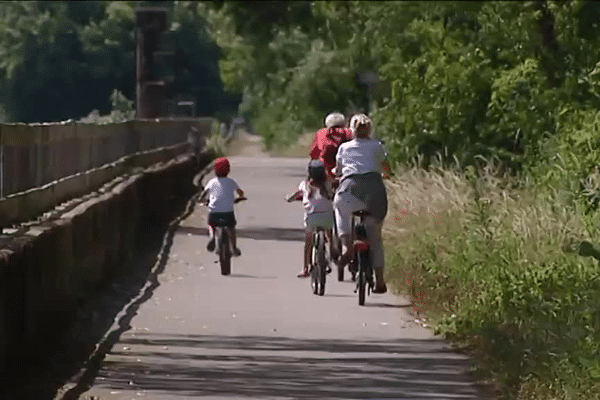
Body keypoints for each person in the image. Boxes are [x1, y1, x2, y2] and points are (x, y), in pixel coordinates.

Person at [333, 113, 392, 293]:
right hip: (374, 193)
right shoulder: (377, 146)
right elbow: (386, 168)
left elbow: (338, 169)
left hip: (350, 190)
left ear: (352, 130)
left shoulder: (344, 148)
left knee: (339, 206)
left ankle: (346, 247)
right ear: (370, 129)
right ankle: (380, 282)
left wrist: (337, 173)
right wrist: (386, 175)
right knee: (375, 239)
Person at [285, 159, 335, 278]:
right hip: (327, 217)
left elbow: (293, 196)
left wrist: (288, 198)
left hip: (312, 218)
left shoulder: (305, 185)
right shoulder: (329, 183)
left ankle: (305, 268)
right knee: (330, 234)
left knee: (308, 242)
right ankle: (332, 254)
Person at [199, 157, 245, 256]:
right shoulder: (231, 182)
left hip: (214, 211)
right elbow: (240, 192)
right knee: (231, 228)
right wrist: (241, 197)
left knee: (212, 224)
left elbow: (203, 194)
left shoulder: (212, 182)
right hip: (228, 212)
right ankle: (233, 247)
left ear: (215, 170)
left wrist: (201, 200)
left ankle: (212, 237)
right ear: (228, 170)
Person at [309, 112, 354, 179]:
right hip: (345, 170)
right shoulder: (349, 132)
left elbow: (313, 154)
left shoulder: (322, 132)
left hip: (326, 171)